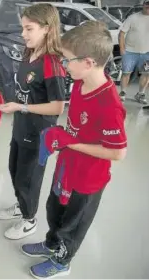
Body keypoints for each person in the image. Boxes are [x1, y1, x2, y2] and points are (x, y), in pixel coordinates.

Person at [22, 21, 127, 279]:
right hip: (67, 167)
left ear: (89, 62)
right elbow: (77, 124)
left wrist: (70, 142)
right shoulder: (80, 84)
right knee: (54, 209)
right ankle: (51, 243)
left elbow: (118, 153)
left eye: (68, 60)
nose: (64, 66)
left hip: (88, 179)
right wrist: (60, 137)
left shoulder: (109, 105)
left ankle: (62, 261)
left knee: (73, 222)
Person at [0, 3, 66, 240]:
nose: (23, 34)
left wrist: (21, 106)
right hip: (21, 126)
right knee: (15, 171)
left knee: (29, 178)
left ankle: (29, 219)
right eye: (22, 28)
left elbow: (57, 106)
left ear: (46, 29)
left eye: (29, 28)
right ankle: (21, 205)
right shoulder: (29, 52)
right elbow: (26, 89)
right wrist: (11, 104)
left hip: (38, 133)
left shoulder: (52, 62)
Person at [118, 0, 149, 104]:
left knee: (146, 73)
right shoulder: (133, 17)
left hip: (147, 53)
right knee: (126, 73)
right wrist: (122, 48)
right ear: (143, 5)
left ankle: (140, 94)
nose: (148, 7)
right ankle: (122, 92)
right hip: (130, 52)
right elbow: (122, 33)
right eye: (147, 4)